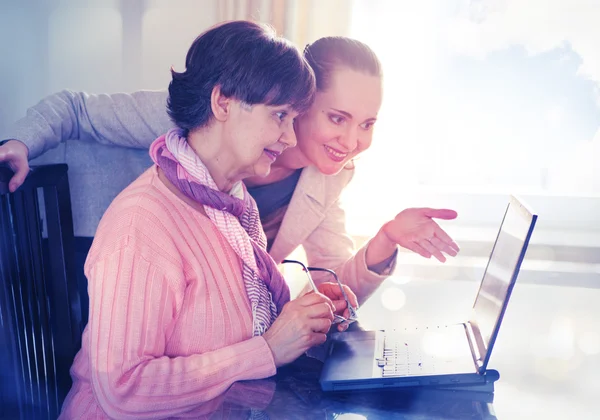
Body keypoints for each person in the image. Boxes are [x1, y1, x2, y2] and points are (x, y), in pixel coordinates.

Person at [0, 31, 459, 308]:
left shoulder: (328, 174)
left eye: (367, 124)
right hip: (72, 242)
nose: (351, 142)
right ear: (300, 99)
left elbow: (329, 282)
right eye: (337, 118)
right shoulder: (202, 118)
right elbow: (77, 110)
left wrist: (386, 240)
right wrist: (19, 143)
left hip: (175, 299)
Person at [57, 21, 353, 419]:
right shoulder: (141, 226)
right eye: (280, 115)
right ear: (223, 103)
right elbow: (124, 390)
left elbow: (230, 327)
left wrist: (301, 321)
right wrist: (266, 350)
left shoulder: (230, 204)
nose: (291, 138)